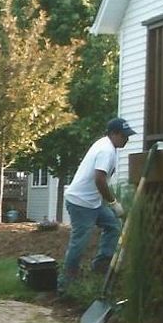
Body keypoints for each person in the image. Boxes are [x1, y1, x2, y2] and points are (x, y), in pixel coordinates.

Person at [58, 117, 136, 291]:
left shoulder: (106, 145)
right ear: (114, 134)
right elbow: (99, 179)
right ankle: (66, 283)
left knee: (113, 225)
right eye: (124, 135)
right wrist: (114, 203)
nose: (127, 139)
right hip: (80, 202)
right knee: (79, 242)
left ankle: (100, 265)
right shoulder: (106, 150)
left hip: (92, 202)